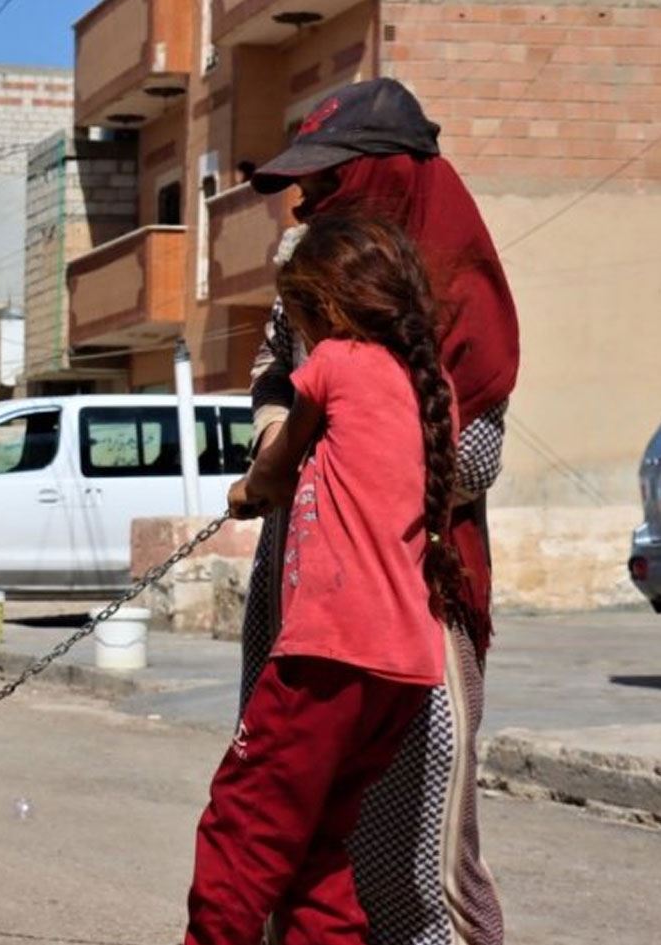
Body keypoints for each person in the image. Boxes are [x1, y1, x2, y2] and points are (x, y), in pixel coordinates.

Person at [239, 77, 518, 944]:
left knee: (415, 858)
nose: (305, 203)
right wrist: (276, 435)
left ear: (387, 175)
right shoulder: (312, 269)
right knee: (290, 830)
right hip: (297, 584)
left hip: (412, 597)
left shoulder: (457, 282)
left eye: (327, 184)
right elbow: (270, 374)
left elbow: (473, 456)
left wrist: (339, 446)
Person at [186, 213, 461, 945]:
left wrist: (247, 492)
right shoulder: (432, 388)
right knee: (314, 845)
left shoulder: (336, 363)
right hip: (403, 668)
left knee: (239, 829)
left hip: (328, 655)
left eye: (300, 314)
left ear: (328, 308)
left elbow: (274, 465)